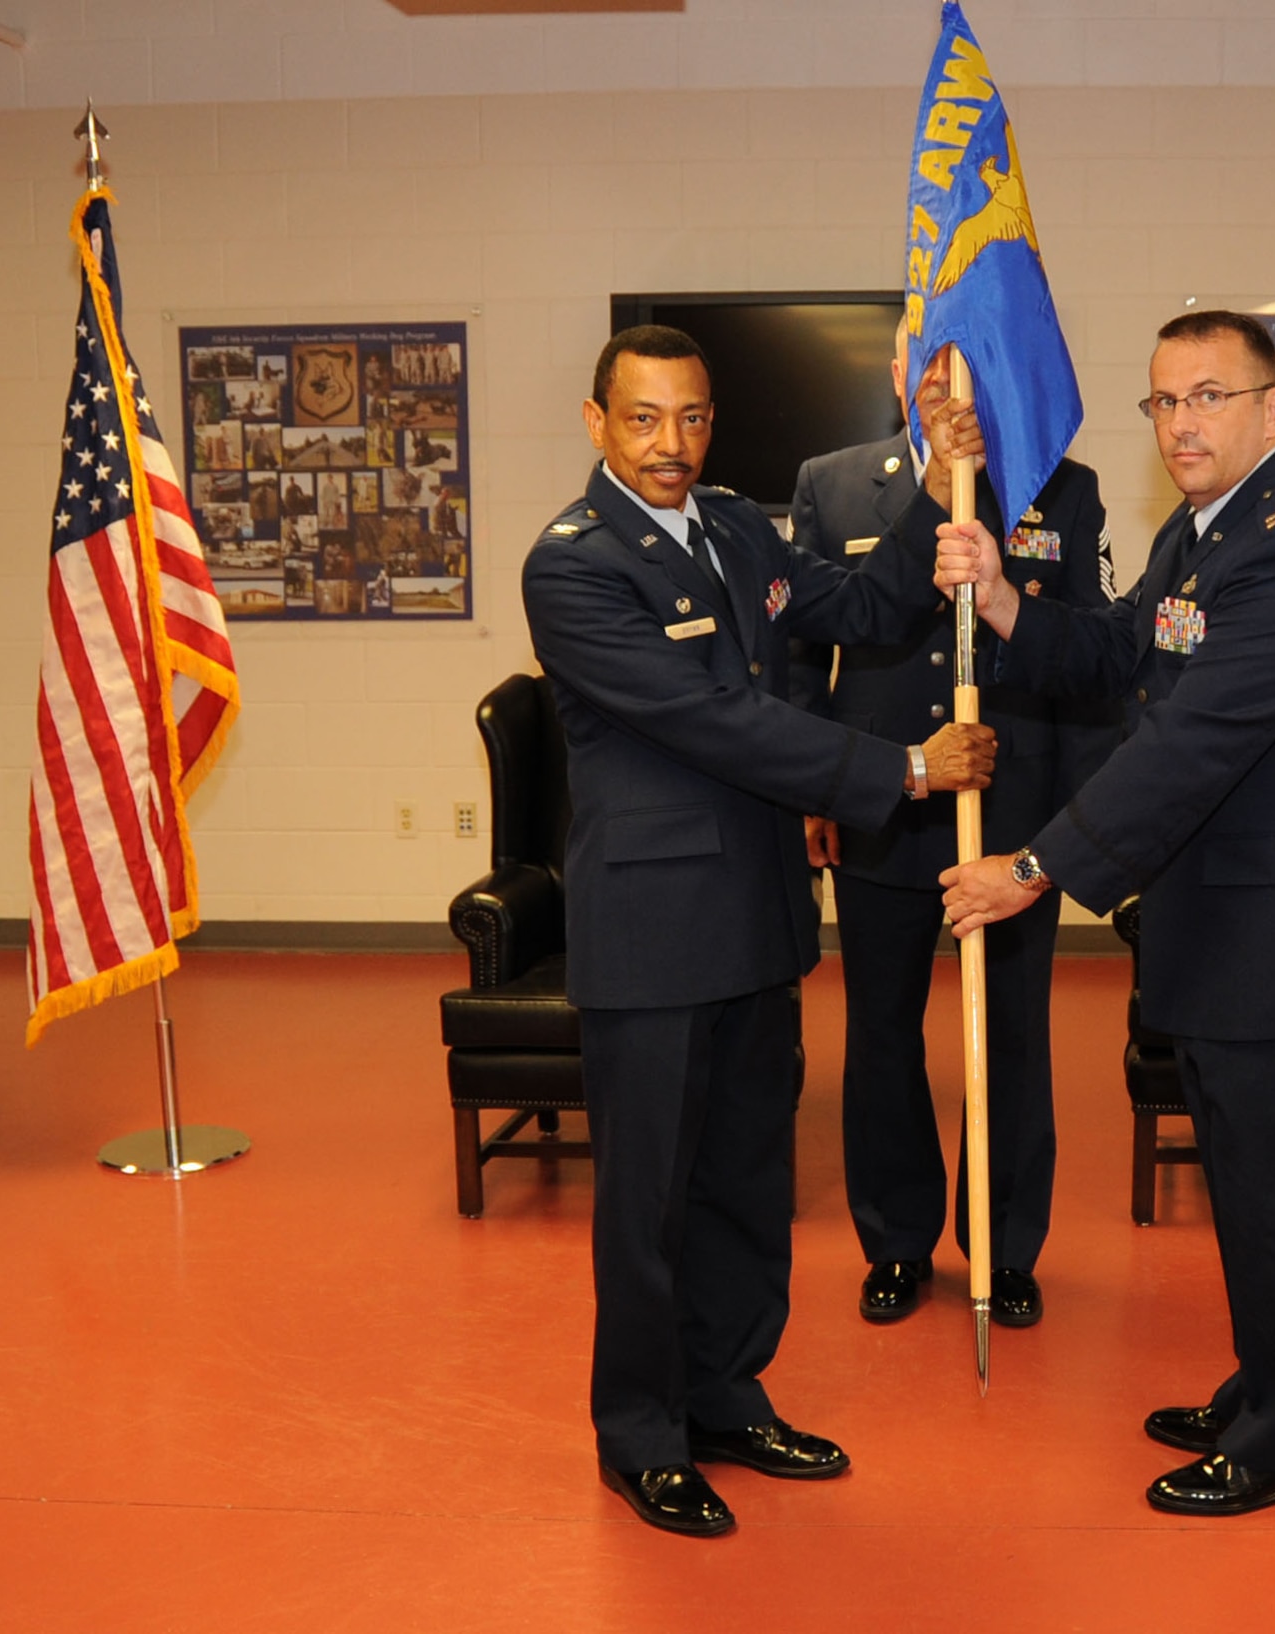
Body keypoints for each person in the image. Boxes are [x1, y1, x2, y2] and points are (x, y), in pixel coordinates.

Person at [521, 325, 995, 1539]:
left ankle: (727, 1394)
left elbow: (860, 600)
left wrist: (937, 479)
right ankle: (641, 1432)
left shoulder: (734, 524)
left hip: (759, 913)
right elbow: (714, 718)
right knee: (648, 1203)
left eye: (689, 418)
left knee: (745, 1180)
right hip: (652, 929)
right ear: (595, 423)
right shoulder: (572, 568)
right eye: (641, 419)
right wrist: (897, 764)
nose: (669, 444)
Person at [935, 310, 1275, 1517]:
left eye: (1208, 395)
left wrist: (1028, 870)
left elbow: (1189, 749)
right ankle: (1265, 1386)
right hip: (1221, 927)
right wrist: (998, 596)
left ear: (1273, 407)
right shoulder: (1205, 536)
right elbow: (1117, 652)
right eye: (1164, 402)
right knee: (1247, 1189)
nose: (1183, 421)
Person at [789, 328, 1117, 1329]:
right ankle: (893, 1240)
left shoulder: (1060, 486)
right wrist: (812, 787)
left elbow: (1089, 661)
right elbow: (806, 646)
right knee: (880, 1033)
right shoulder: (833, 483)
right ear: (898, 374)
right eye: (925, 360)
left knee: (1011, 1034)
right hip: (882, 800)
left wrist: (1066, 821)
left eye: (963, 358)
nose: (944, 379)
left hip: (1009, 812)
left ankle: (1006, 1244)